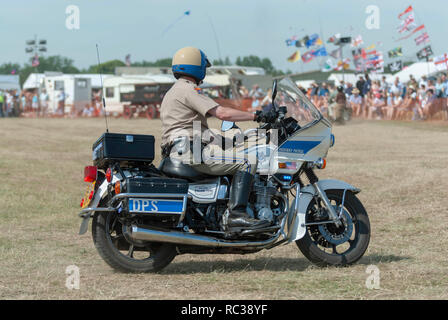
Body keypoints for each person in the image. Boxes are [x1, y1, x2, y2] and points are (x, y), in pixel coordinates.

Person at [160, 47, 274, 231]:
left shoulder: (174, 90)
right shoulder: (188, 89)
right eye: (204, 67)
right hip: (191, 151)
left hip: (180, 149)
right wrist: (258, 115)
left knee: (232, 156)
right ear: (197, 67)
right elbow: (222, 113)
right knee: (248, 161)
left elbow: (198, 129)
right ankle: (237, 215)